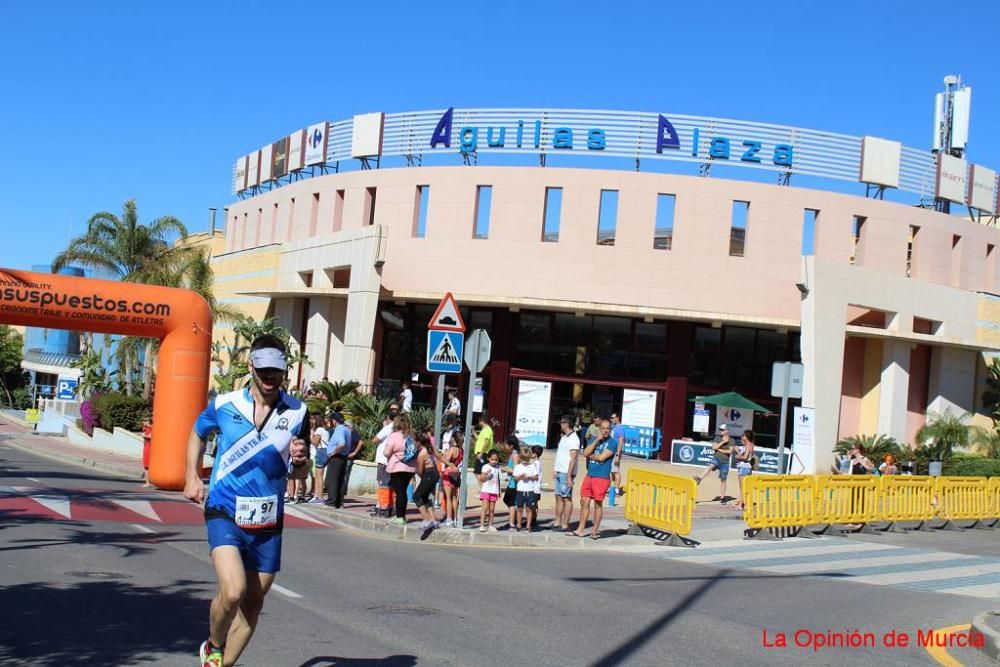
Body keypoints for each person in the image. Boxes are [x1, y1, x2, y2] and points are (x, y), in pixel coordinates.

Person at [184, 334, 310, 667]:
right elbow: (197, 431)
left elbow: (299, 472)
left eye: (277, 372)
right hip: (224, 510)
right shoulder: (225, 404)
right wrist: (192, 475)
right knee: (235, 590)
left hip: (268, 520)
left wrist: (300, 461)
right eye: (264, 371)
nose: (271, 378)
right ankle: (213, 643)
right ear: (250, 366)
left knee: (253, 604)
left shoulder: (299, 412)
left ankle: (220, 665)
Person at [571, 418, 619, 540]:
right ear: (599, 429)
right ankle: (580, 529)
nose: (605, 431)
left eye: (608, 428)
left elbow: (601, 458)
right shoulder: (597, 441)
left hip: (601, 477)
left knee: (598, 504)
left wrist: (591, 456)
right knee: (584, 502)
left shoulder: (613, 442)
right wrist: (596, 441)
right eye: (603, 428)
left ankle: (594, 531)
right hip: (590, 475)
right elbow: (585, 452)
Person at [382, 413, 418, 526]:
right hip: (410, 467)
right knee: (403, 491)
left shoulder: (394, 435)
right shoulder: (412, 435)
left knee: (400, 492)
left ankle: (400, 517)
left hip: (397, 467)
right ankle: (400, 515)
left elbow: (387, 453)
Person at [693, 424, 735, 502]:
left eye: (722, 430)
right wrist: (723, 442)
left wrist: (720, 449)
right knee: (710, 467)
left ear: (727, 431)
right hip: (717, 458)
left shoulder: (732, 440)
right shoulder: (718, 438)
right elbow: (714, 447)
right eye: (720, 429)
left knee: (723, 480)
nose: (720, 431)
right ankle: (700, 478)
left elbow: (730, 451)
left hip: (725, 462)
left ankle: (722, 498)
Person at [553, 416, 580, 531]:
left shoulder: (574, 439)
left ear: (567, 424)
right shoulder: (564, 437)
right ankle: (557, 522)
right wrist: (555, 469)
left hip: (566, 472)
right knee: (558, 496)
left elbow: (573, 458)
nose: (560, 424)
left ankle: (565, 524)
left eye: (562, 423)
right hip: (560, 470)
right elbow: (560, 455)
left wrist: (569, 476)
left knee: (566, 498)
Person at [371, 408, 397, 517]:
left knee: (383, 485)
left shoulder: (388, 428)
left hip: (383, 460)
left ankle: (383, 509)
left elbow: (375, 440)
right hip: (393, 461)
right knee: (391, 486)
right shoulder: (399, 429)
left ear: (388, 418)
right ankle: (390, 508)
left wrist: (384, 426)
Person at [412, 432, 440, 529]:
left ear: (419, 442)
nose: (414, 444)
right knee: (425, 497)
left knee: (416, 496)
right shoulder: (429, 449)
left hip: (428, 474)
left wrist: (415, 470)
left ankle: (426, 520)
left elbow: (420, 471)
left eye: (415, 442)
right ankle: (433, 520)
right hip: (435, 473)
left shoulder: (421, 454)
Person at [324, 412, 351, 508]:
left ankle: (332, 501)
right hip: (343, 457)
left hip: (337, 457)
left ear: (334, 421)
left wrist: (333, 452)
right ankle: (339, 502)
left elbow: (342, 443)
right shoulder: (347, 429)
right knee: (340, 480)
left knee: (331, 480)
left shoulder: (339, 429)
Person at [440, 431, 464, 526]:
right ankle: (455, 518)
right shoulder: (461, 450)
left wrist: (444, 454)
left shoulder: (453, 449)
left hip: (449, 472)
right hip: (456, 472)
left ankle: (449, 518)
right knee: (454, 497)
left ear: (453, 439)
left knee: (448, 497)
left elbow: (447, 460)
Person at [512, 447, 538, 531]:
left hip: (529, 490)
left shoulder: (532, 466)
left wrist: (530, 477)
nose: (525, 461)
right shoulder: (518, 467)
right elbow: (515, 479)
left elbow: (536, 477)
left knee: (529, 508)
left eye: (527, 459)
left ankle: (528, 525)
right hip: (520, 490)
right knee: (519, 508)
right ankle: (519, 524)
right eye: (523, 459)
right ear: (520, 458)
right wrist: (520, 477)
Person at [478, 449, 501, 532]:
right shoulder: (485, 467)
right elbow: (481, 479)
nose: (494, 461)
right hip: (486, 490)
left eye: (496, 459)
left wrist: (499, 491)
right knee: (485, 508)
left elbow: (498, 479)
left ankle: (490, 525)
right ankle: (481, 525)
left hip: (494, 491)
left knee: (492, 509)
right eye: (492, 459)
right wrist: (486, 475)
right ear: (488, 458)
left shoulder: (498, 468)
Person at [308, 414, 329, 504]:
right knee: (317, 475)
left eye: (313, 419)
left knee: (319, 476)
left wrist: (310, 435)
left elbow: (315, 443)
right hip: (322, 452)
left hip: (321, 451)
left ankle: (319, 496)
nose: (312, 421)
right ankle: (316, 495)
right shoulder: (324, 430)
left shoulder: (319, 430)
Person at [342, 419, 364, 500]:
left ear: (349, 426)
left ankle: (342, 491)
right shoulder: (345, 433)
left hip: (348, 456)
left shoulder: (354, 433)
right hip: (343, 455)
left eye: (345, 426)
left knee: (344, 474)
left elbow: (360, 442)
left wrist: (354, 453)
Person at [734, 429, 756, 510]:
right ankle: (745, 504)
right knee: (746, 487)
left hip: (744, 467)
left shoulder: (748, 446)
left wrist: (738, 457)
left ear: (746, 437)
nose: (742, 437)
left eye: (743, 436)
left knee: (742, 487)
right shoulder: (751, 445)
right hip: (747, 467)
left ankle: (740, 505)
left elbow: (745, 457)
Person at [609, 413, 626, 497]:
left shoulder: (619, 428)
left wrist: (617, 454)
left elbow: (621, 441)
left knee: (615, 471)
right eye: (610, 418)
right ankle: (612, 488)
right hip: (611, 451)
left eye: (612, 418)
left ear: (617, 418)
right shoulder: (614, 427)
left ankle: (616, 490)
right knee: (612, 471)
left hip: (616, 452)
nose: (611, 419)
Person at [530, 445, 544, 530]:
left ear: (534, 454)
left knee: (533, 505)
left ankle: (533, 520)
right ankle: (533, 519)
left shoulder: (536, 464)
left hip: (534, 488)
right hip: (536, 487)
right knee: (534, 504)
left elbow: (534, 475)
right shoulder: (537, 463)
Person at [141, 419, 153, 488]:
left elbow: (151, 436)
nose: (143, 422)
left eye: (145, 420)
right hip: (146, 447)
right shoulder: (145, 428)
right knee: (146, 466)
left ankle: (148, 482)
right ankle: (147, 482)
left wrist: (144, 435)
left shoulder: (150, 428)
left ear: (148, 421)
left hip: (148, 448)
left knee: (146, 466)